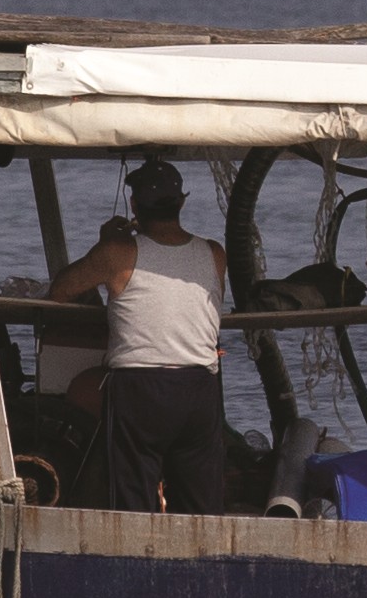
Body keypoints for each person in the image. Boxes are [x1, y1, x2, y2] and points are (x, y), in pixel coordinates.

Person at [43, 158, 236, 512]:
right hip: (199, 389)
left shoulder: (117, 253)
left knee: (134, 500)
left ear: (133, 206)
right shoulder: (214, 253)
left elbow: (61, 290)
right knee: (202, 505)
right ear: (181, 202)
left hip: (141, 390)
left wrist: (104, 244)